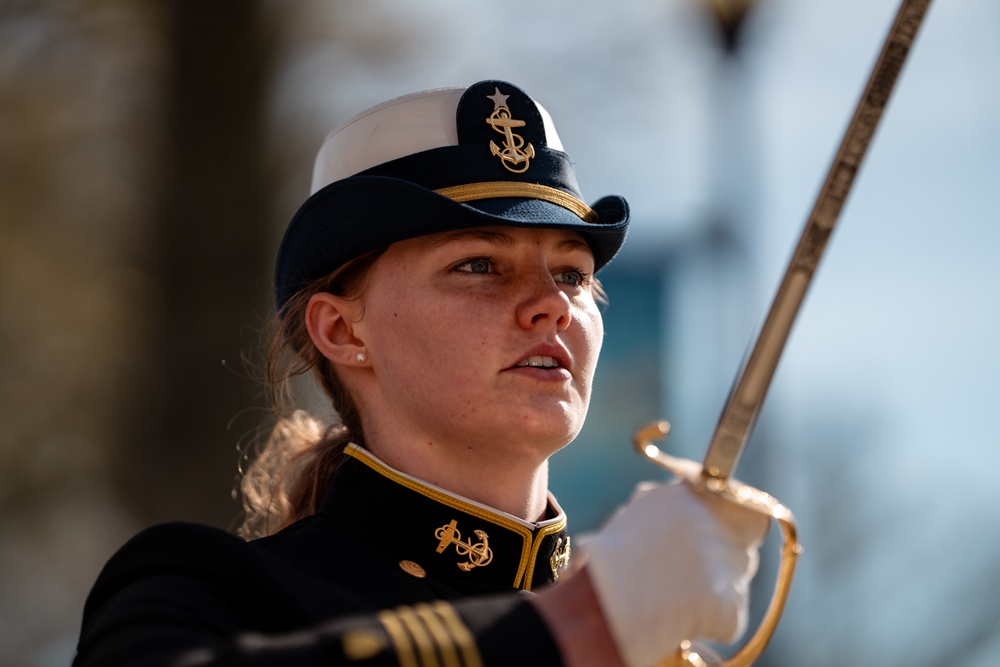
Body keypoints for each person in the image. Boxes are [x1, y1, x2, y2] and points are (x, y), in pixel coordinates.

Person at [74, 79, 767, 667]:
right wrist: (582, 621)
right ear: (343, 330)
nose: (552, 305)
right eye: (479, 265)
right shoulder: (208, 591)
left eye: (572, 274)